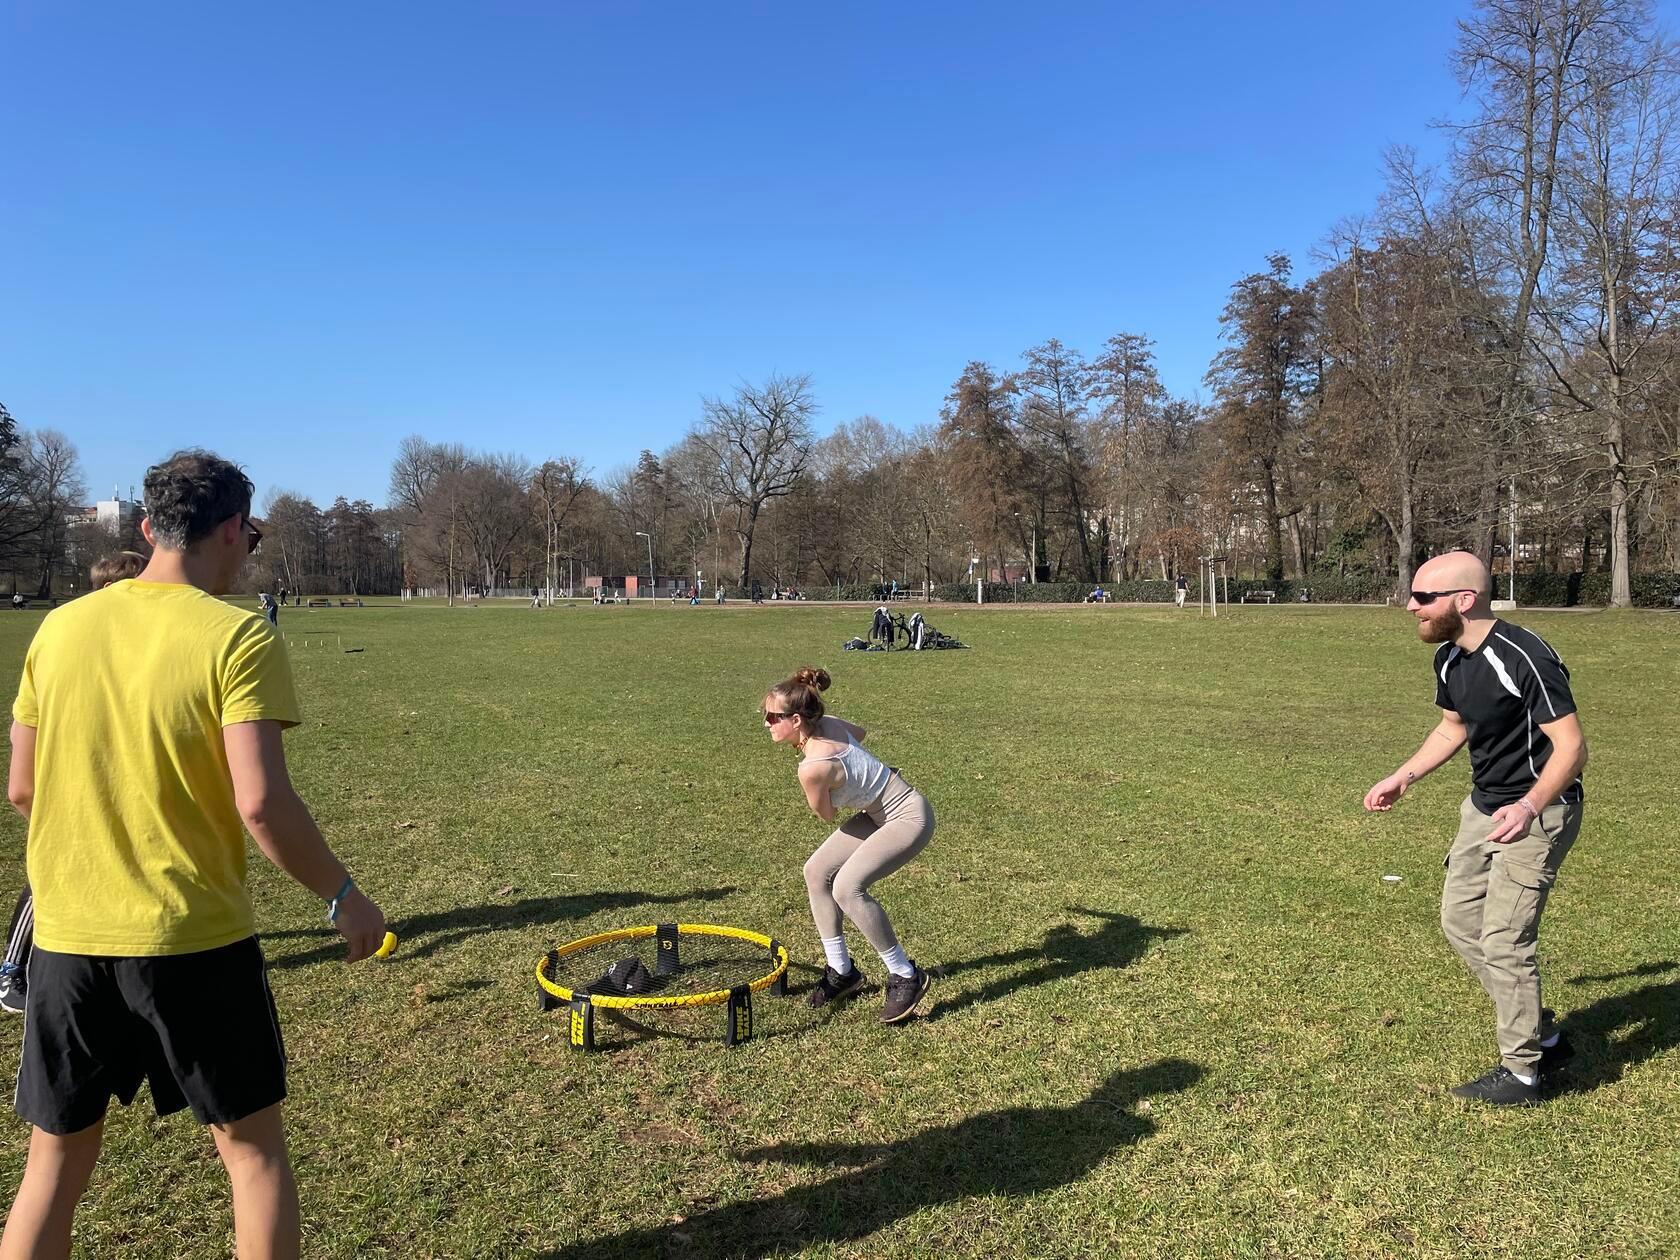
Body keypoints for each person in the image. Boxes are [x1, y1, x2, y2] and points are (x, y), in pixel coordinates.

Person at [1, 450, 386, 1259]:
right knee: (253, 1157)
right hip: (193, 939)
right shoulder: (237, 636)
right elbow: (261, 802)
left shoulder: (60, 627)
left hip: (66, 940)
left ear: (149, 529)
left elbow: (23, 788)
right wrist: (342, 895)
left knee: (53, 1167)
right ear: (232, 530)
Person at [1363, 550, 1587, 1108]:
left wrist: (1529, 806)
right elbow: (1452, 727)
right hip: (1484, 808)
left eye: (1423, 597)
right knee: (1461, 922)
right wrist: (1403, 776)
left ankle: (1524, 1072)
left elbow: (1572, 747)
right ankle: (1541, 1032)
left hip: (1540, 811)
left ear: (1464, 600)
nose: (1411, 606)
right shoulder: (1449, 658)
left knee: (1506, 939)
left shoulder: (1524, 655)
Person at [0, 551, 148, 1016]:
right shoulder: (66, 638)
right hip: (64, 797)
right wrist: (51, 818)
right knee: (49, 878)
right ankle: (12, 969)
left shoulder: (131, 647)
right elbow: (23, 744)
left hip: (111, 792)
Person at [762, 667, 934, 1024]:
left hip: (908, 816)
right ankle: (842, 971)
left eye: (772, 717)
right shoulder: (827, 724)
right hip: (877, 812)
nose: (766, 723)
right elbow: (860, 734)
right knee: (816, 871)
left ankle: (905, 974)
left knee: (847, 887)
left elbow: (826, 814)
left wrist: (831, 783)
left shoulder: (812, 768)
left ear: (796, 720)